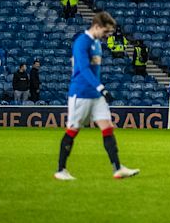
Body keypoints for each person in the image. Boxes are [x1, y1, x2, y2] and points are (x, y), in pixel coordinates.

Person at [54, 11, 138, 181]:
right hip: (81, 93)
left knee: (107, 126)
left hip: (95, 94)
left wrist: (99, 90)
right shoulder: (81, 42)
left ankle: (117, 168)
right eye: (105, 32)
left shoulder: (97, 43)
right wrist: (101, 88)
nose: (107, 36)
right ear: (97, 26)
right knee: (73, 130)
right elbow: (83, 69)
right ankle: (61, 170)